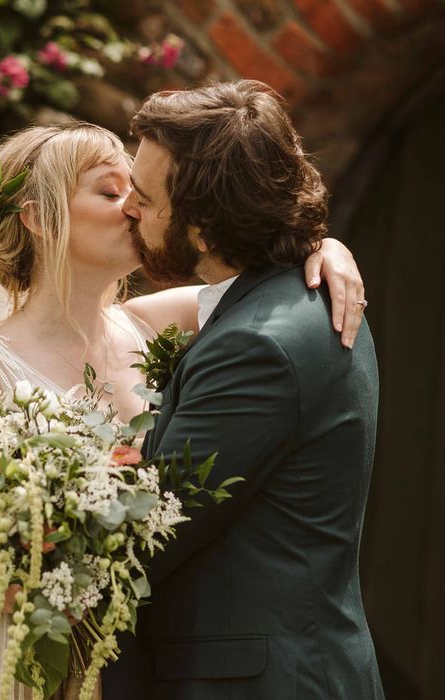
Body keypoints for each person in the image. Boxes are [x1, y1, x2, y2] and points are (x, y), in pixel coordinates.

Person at [0, 120, 365, 699]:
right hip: (22, 665)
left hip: (136, 667)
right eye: (109, 190)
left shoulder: (150, 323)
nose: (135, 208)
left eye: (137, 192)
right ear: (38, 218)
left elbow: (262, 286)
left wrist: (326, 248)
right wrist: (49, 575)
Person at [101, 81, 384, 699]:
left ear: (203, 230)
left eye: (145, 199)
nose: (128, 208)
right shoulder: (294, 295)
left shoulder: (257, 345)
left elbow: (151, 533)